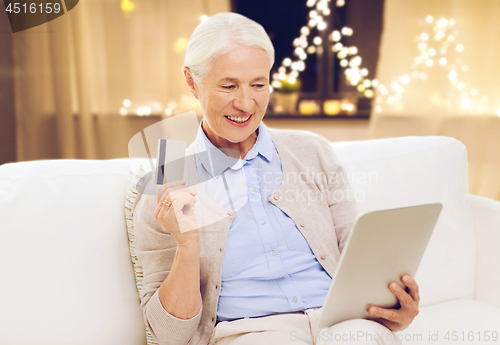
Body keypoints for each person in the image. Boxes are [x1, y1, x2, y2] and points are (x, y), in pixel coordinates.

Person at [133, 12, 420, 345]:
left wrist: (393, 307)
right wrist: (187, 246)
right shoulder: (169, 184)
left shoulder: (313, 152)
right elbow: (169, 336)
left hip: (341, 323)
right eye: (228, 86)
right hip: (252, 334)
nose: (245, 103)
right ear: (191, 82)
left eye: (258, 85)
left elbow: (357, 252)